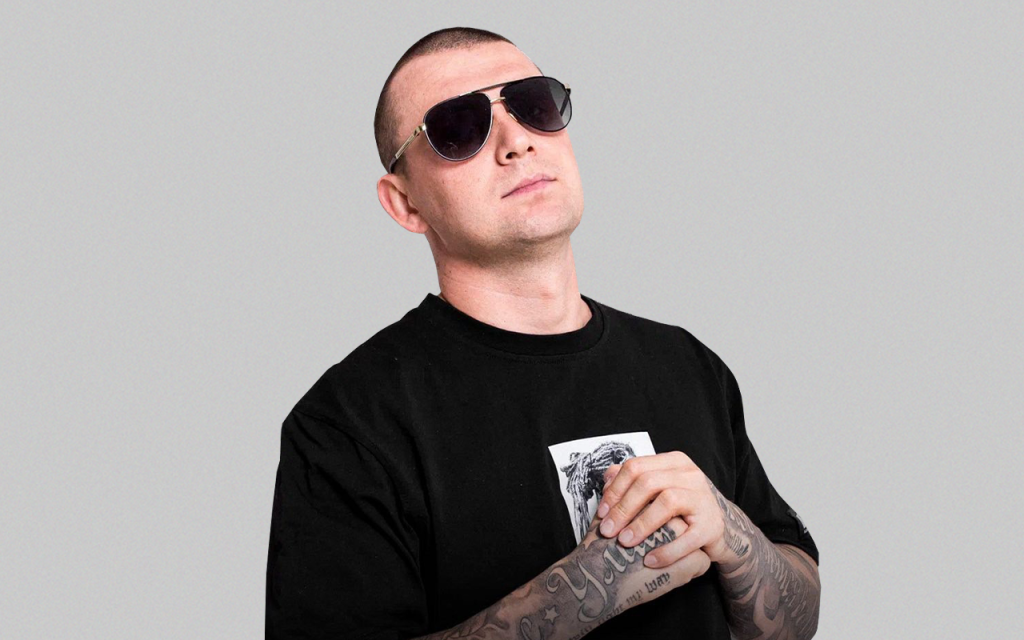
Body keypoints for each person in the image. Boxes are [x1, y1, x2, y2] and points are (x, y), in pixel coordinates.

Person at [265, 26, 821, 640]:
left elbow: (797, 617)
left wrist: (730, 533)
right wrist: (589, 587)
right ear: (405, 204)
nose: (516, 142)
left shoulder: (686, 365)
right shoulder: (348, 424)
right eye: (459, 129)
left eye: (534, 104)